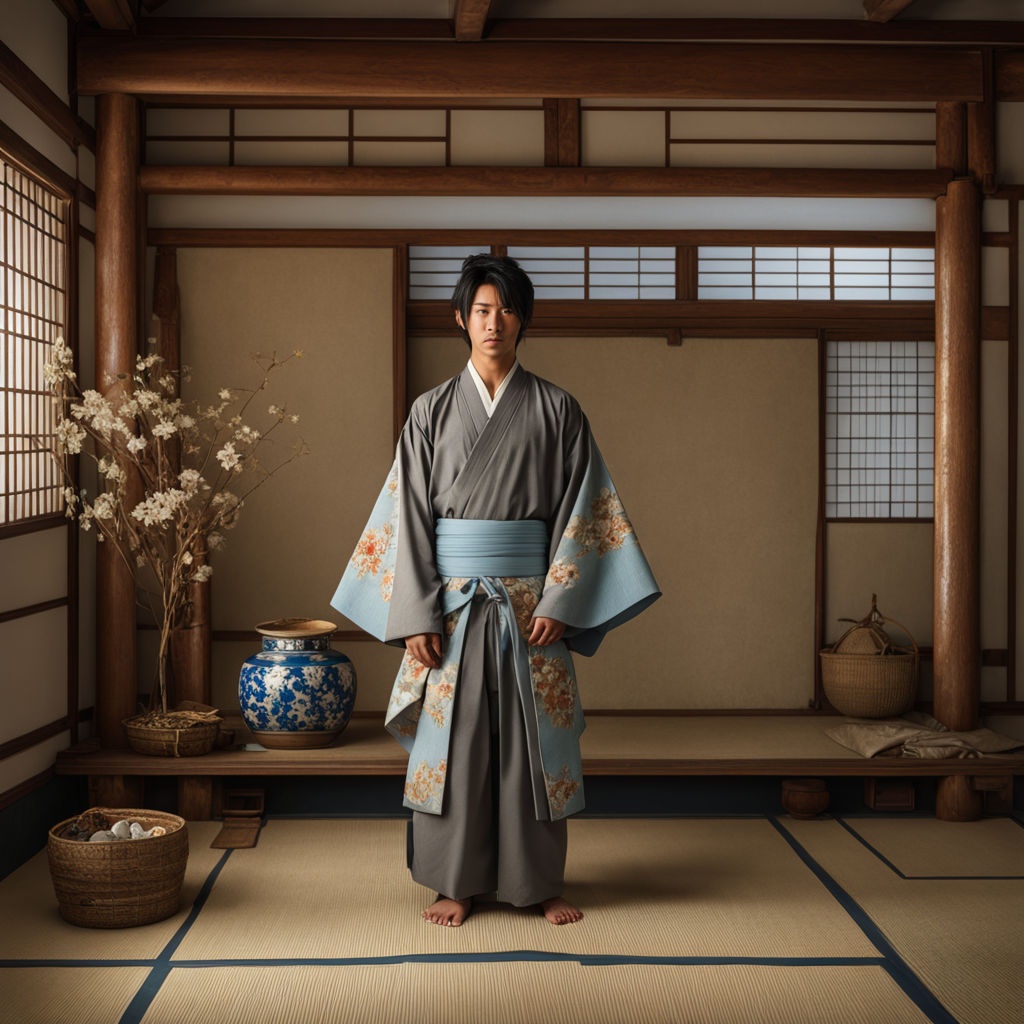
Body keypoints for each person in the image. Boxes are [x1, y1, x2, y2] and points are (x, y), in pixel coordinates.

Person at [331, 254, 659, 928]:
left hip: (528, 608)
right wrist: (415, 613)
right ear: (461, 319)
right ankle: (455, 882)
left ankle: (538, 882)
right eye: (482, 309)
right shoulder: (429, 413)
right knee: (456, 747)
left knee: (531, 749)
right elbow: (408, 520)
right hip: (449, 607)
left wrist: (562, 602)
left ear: (523, 321)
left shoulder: (558, 409)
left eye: (507, 309)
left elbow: (585, 511)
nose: (495, 322)